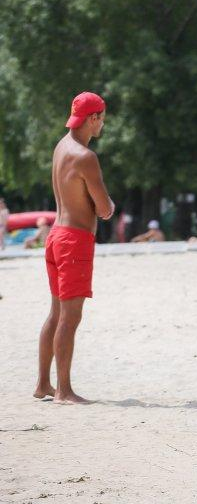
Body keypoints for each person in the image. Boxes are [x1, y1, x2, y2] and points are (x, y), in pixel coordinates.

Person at [37, 91, 114, 404]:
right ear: (93, 118)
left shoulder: (61, 146)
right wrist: (110, 205)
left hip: (56, 235)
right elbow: (103, 208)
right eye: (102, 118)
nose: (103, 124)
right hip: (74, 241)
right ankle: (63, 391)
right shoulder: (86, 157)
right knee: (70, 317)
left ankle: (43, 383)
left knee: (55, 314)